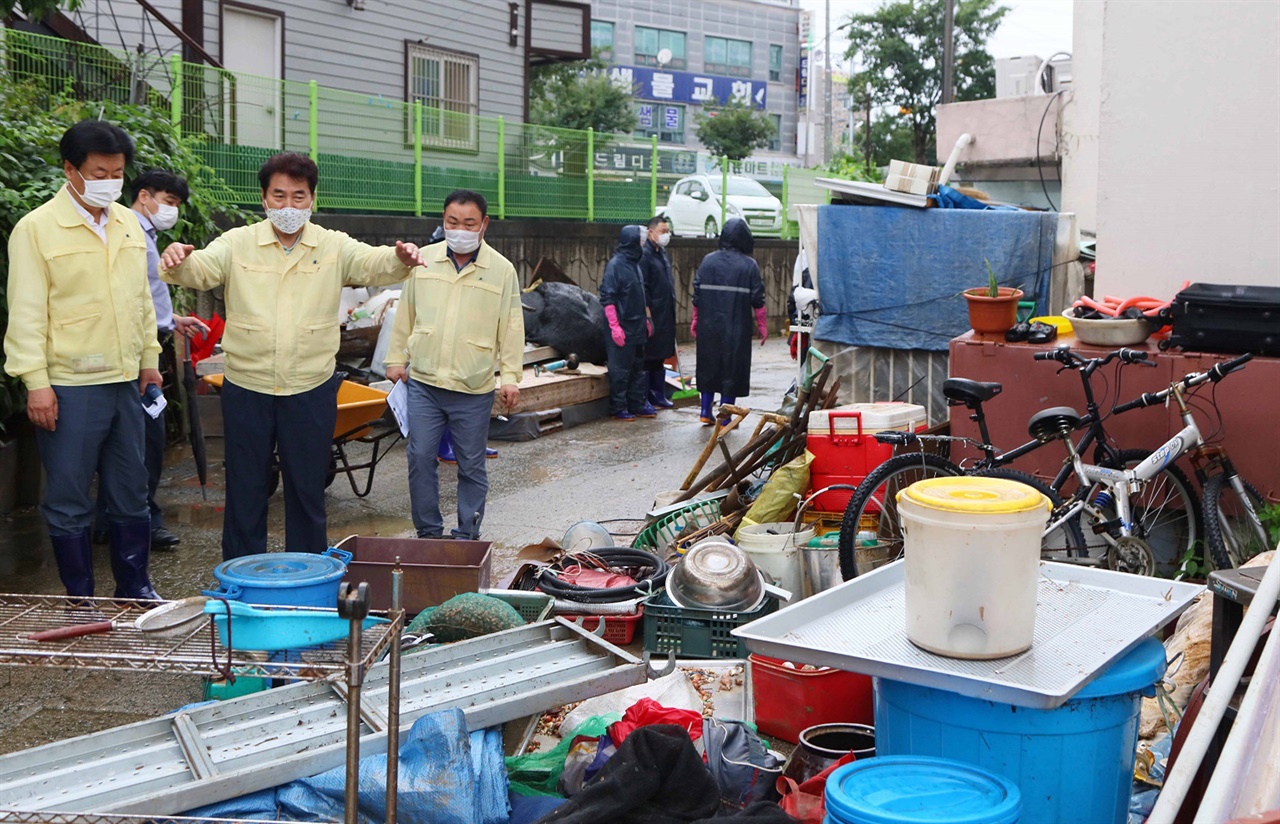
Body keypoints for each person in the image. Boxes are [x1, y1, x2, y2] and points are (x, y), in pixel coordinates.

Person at [159, 152, 425, 559]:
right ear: (263, 199)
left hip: (310, 386)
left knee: (307, 488)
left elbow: (373, 263)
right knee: (246, 487)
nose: (288, 207)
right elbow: (203, 269)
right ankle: (243, 573)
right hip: (248, 385)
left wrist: (399, 258)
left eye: (298, 197)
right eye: (278, 196)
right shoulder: (237, 243)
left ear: (313, 200)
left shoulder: (333, 245)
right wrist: (179, 260)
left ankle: (308, 573)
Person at [3, 119, 163, 600]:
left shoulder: (127, 223)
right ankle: (80, 597)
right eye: (100, 171)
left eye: (117, 172)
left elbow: (142, 301)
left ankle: (135, 588)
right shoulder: (36, 229)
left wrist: (150, 359)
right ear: (70, 169)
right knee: (70, 497)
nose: (110, 181)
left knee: (132, 491)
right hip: (69, 385)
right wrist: (36, 382)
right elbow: (27, 311)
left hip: (125, 379)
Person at [385, 190, 522, 540]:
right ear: (443, 221)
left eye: (469, 223)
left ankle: (467, 535)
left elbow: (511, 326)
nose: (460, 229)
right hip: (425, 383)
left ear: (484, 225)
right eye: (452, 222)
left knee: (472, 465)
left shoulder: (502, 271)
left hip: (472, 387)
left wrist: (510, 377)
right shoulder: (423, 261)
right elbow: (406, 314)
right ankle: (428, 533)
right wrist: (395, 359)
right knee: (419, 458)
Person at [90, 170, 211, 551]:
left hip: (149, 342)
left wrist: (170, 320)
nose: (172, 210)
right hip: (138, 353)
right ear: (144, 196)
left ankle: (112, 521)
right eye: (169, 201)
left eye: (176, 204)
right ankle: (139, 522)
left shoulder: (143, 234)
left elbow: (144, 295)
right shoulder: (129, 234)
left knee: (138, 442)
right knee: (145, 444)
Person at [422, 224, 498, 464]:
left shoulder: (487, 265)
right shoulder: (429, 265)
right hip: (438, 351)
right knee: (445, 397)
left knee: (473, 405)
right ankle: (445, 445)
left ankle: (472, 445)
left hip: (470, 350)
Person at [691, 217, 767, 426]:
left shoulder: (708, 261)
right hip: (736, 328)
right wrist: (762, 326)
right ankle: (725, 418)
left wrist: (696, 319)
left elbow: (696, 292)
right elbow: (757, 298)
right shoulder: (749, 265)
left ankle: (705, 411)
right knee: (731, 370)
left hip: (709, 326)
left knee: (708, 366)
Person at [600, 225, 655, 422]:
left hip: (637, 325)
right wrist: (614, 326)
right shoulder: (616, 266)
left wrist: (647, 319)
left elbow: (641, 294)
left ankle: (637, 403)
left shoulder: (635, 264)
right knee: (620, 370)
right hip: (623, 326)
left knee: (637, 368)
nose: (643, 242)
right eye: (640, 239)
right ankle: (618, 407)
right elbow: (608, 297)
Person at [640, 215, 676, 409]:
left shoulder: (661, 252)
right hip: (652, 312)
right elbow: (643, 285)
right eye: (663, 231)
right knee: (648, 355)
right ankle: (644, 396)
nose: (666, 235)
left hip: (665, 312)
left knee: (660, 355)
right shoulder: (644, 255)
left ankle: (658, 393)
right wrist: (647, 313)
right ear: (651, 232)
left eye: (667, 231)